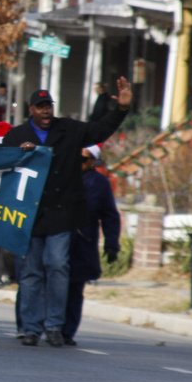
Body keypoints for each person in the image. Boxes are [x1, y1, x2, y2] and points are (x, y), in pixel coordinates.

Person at [3, 79, 132, 347]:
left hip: (62, 214)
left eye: (48, 106)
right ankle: (30, 328)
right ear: (31, 110)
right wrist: (17, 155)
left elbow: (99, 131)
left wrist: (120, 108)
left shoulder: (69, 130)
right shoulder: (15, 136)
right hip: (29, 216)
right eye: (40, 107)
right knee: (31, 273)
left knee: (58, 266)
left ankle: (54, 326)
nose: (46, 112)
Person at [63, 145, 121, 346]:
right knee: (52, 283)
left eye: (84, 159)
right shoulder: (62, 175)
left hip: (83, 242)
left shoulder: (99, 183)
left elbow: (109, 215)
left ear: (92, 162)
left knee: (74, 288)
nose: (79, 162)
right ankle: (48, 325)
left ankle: (67, 331)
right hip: (58, 238)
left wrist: (112, 244)